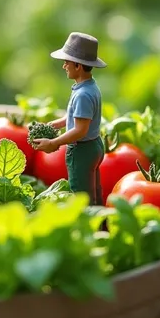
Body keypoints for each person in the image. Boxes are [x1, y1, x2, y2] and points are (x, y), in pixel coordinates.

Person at [32, 32, 107, 205]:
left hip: (82, 151)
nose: (64, 66)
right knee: (94, 190)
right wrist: (55, 124)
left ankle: (87, 225)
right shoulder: (90, 87)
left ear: (78, 66)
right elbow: (75, 117)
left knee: (80, 193)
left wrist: (54, 143)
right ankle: (99, 221)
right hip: (95, 145)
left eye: (66, 62)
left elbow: (80, 130)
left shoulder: (83, 94)